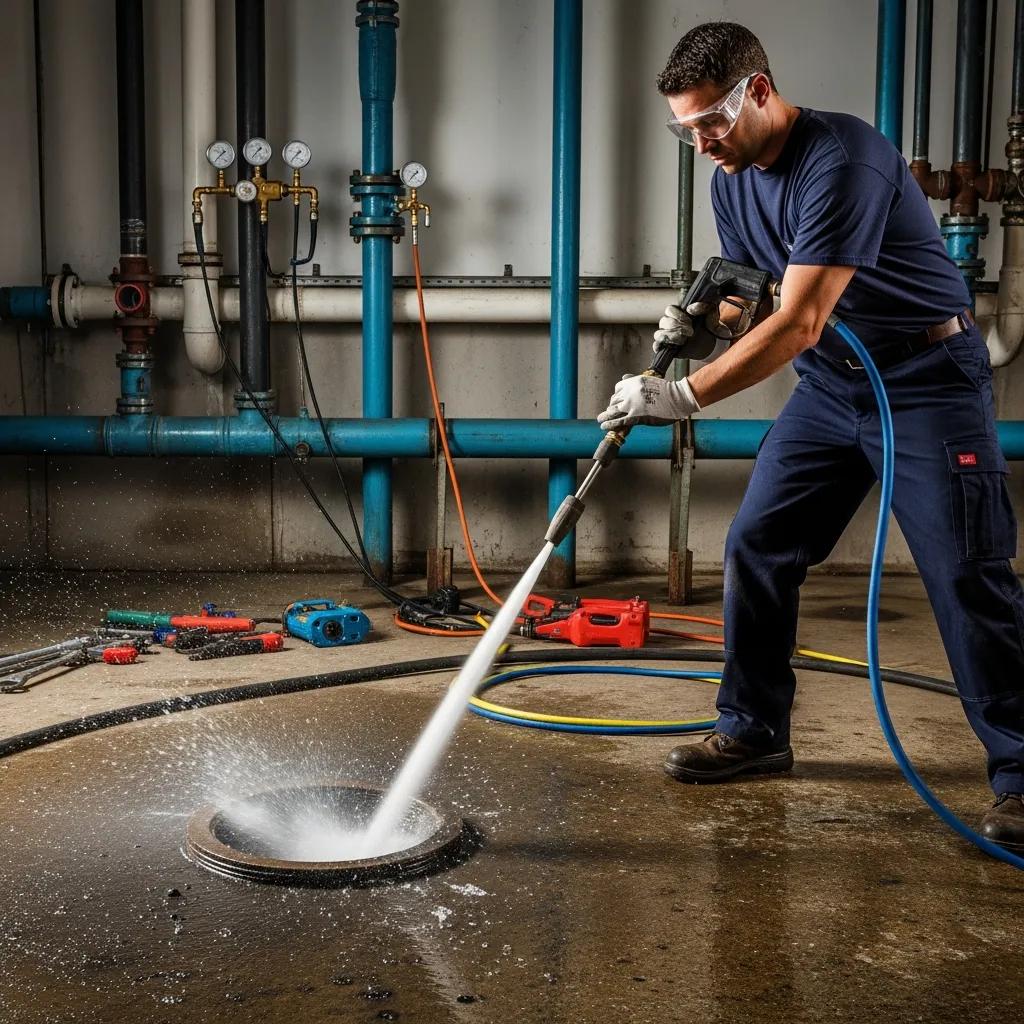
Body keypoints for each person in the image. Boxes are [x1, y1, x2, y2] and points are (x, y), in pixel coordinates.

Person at [597, 21, 1024, 850]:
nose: (701, 145)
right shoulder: (732, 177)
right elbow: (753, 300)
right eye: (685, 130)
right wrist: (701, 318)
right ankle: (755, 729)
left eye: (710, 122)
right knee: (759, 543)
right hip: (834, 389)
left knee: (966, 575)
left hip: (927, 381)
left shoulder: (844, 158)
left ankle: (1020, 773)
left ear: (758, 88)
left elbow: (796, 322)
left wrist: (679, 394)